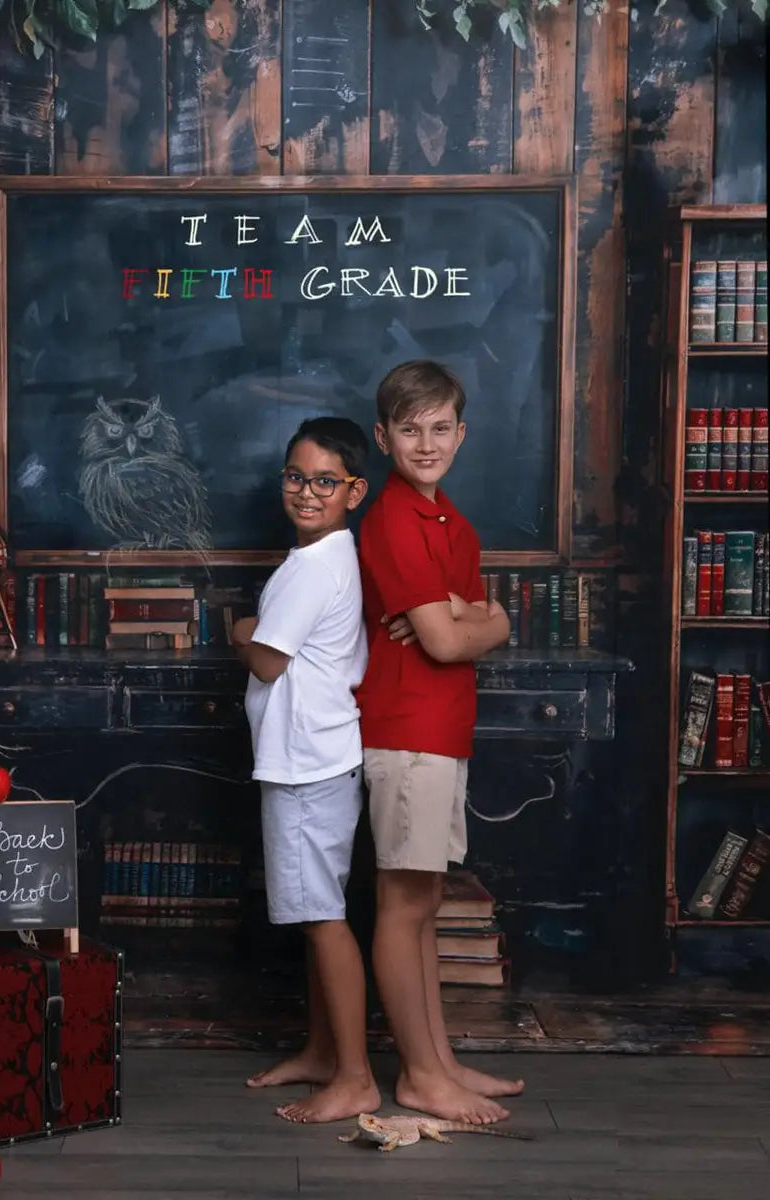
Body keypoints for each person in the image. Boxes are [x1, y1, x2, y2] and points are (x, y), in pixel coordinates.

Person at [356, 360, 523, 1125]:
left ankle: (441, 1058)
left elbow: (477, 624)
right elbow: (448, 642)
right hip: (406, 732)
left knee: (423, 901)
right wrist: (474, 621)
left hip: (440, 730)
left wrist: (481, 618)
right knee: (401, 903)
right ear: (384, 437)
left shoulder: (450, 520)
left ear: (461, 431)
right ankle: (419, 1075)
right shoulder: (392, 519)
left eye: (439, 427)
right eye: (409, 429)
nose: (426, 442)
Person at [233, 416, 380, 1125]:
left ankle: (354, 1077)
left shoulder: (312, 567)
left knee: (322, 919)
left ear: (353, 490)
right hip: (318, 755)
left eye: (324, 481)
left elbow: (266, 658)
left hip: (305, 764)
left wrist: (238, 631)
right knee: (319, 912)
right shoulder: (331, 556)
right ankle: (323, 1053)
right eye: (295, 476)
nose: (305, 491)